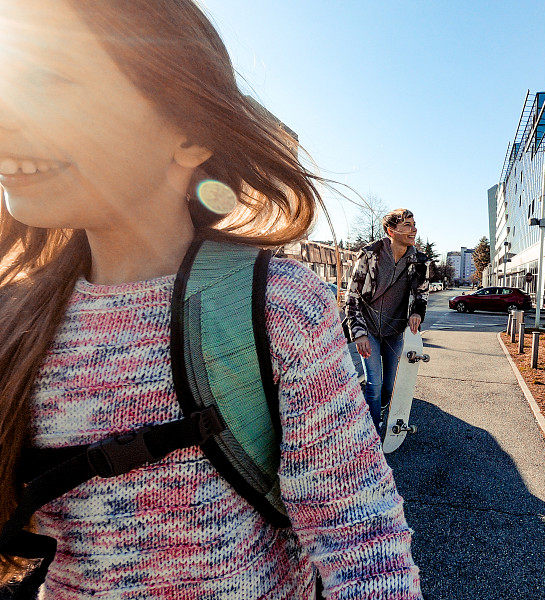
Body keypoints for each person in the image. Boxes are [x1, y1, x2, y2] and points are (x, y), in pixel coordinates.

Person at [0, 1, 422, 598]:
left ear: (191, 132)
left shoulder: (276, 306)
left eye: (52, 81)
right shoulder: (14, 318)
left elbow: (360, 539)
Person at [343, 209, 429, 431]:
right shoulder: (370, 255)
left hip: (394, 331)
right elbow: (352, 297)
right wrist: (359, 333)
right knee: (374, 383)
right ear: (391, 231)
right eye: (407, 225)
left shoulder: (418, 261)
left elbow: (422, 293)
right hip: (368, 330)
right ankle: (371, 429)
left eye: (414, 223)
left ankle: (378, 409)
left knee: (390, 386)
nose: (414, 229)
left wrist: (417, 312)